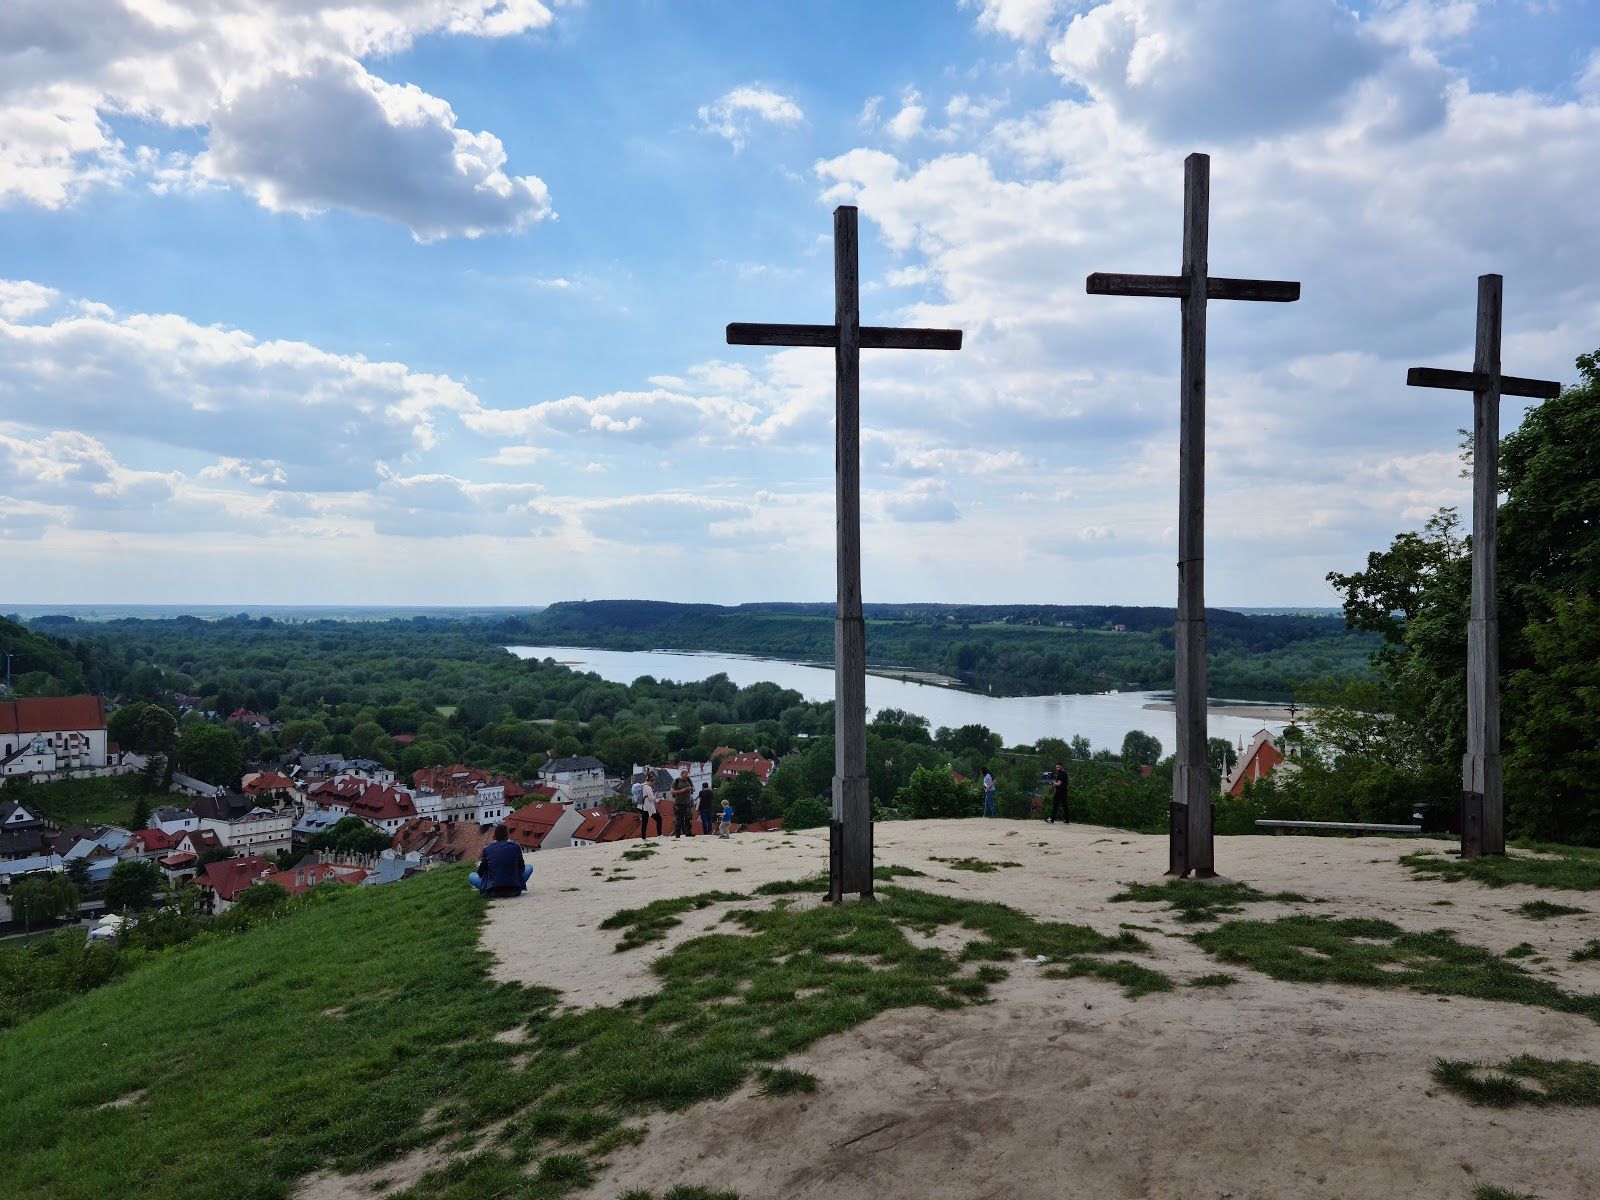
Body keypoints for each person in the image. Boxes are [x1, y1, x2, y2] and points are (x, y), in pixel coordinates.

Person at [469, 824, 532, 896]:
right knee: (529, 867)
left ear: (494, 837)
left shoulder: (487, 849)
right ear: (508, 836)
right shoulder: (516, 847)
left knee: (471, 876)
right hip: (514, 890)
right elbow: (522, 868)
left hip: (493, 891)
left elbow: (480, 873)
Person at [671, 767, 695, 838]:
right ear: (682, 774)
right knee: (679, 819)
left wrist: (690, 789)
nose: (687, 776)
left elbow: (693, 789)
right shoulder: (676, 781)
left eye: (687, 774)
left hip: (687, 802)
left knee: (688, 818)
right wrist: (682, 790)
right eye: (685, 774)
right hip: (678, 803)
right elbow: (672, 791)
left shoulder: (688, 780)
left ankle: (688, 833)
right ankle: (677, 834)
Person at [638, 775, 661, 840]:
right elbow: (651, 799)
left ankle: (643, 837)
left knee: (644, 822)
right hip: (648, 807)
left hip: (642, 807)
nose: (653, 783)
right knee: (659, 819)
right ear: (651, 781)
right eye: (653, 781)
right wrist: (655, 795)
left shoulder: (641, 786)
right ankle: (659, 834)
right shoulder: (648, 788)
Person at [1047, 760, 1070, 824]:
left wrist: (1053, 783)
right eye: (1056, 767)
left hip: (1059, 792)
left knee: (1055, 805)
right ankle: (1067, 820)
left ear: (1061, 767)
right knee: (1065, 806)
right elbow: (1061, 783)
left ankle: (1051, 819)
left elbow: (1059, 783)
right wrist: (1054, 784)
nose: (1057, 769)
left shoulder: (1061, 774)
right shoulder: (1065, 773)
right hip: (1064, 792)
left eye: (1058, 767)